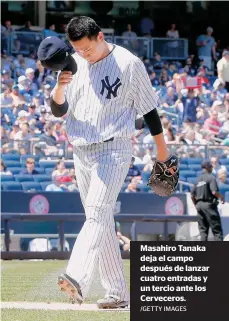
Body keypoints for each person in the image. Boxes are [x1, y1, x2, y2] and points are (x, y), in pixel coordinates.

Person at [41, 16, 176, 309]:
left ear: (100, 36)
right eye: (78, 50)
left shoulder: (128, 63)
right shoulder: (73, 64)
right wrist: (60, 87)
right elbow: (57, 110)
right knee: (100, 220)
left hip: (113, 148)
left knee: (97, 212)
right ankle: (117, 293)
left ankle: (76, 277)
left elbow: (150, 111)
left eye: (87, 49)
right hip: (81, 152)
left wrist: (162, 152)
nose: (83, 55)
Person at [191, 160, 224, 241]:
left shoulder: (197, 180)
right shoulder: (211, 177)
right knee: (217, 231)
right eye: (211, 166)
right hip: (209, 205)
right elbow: (214, 192)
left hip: (199, 206)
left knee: (203, 231)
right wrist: (221, 197)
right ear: (207, 167)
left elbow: (192, 195)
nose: (212, 168)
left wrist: (196, 205)